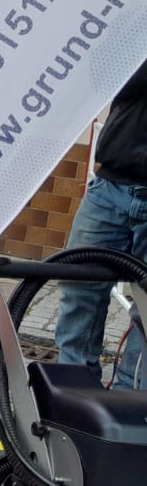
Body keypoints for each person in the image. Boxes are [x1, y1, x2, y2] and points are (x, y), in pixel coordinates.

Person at [55, 58, 147, 387]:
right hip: (111, 185)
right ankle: (74, 393)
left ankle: (131, 405)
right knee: (79, 288)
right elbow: (106, 74)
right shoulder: (138, 25)